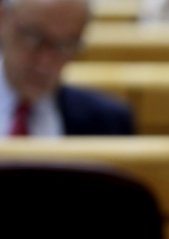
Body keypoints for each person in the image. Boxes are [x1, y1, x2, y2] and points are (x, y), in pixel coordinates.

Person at [0, 0, 134, 137]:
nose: (45, 62)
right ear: (2, 18)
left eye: (65, 45)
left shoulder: (108, 122)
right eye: (33, 38)